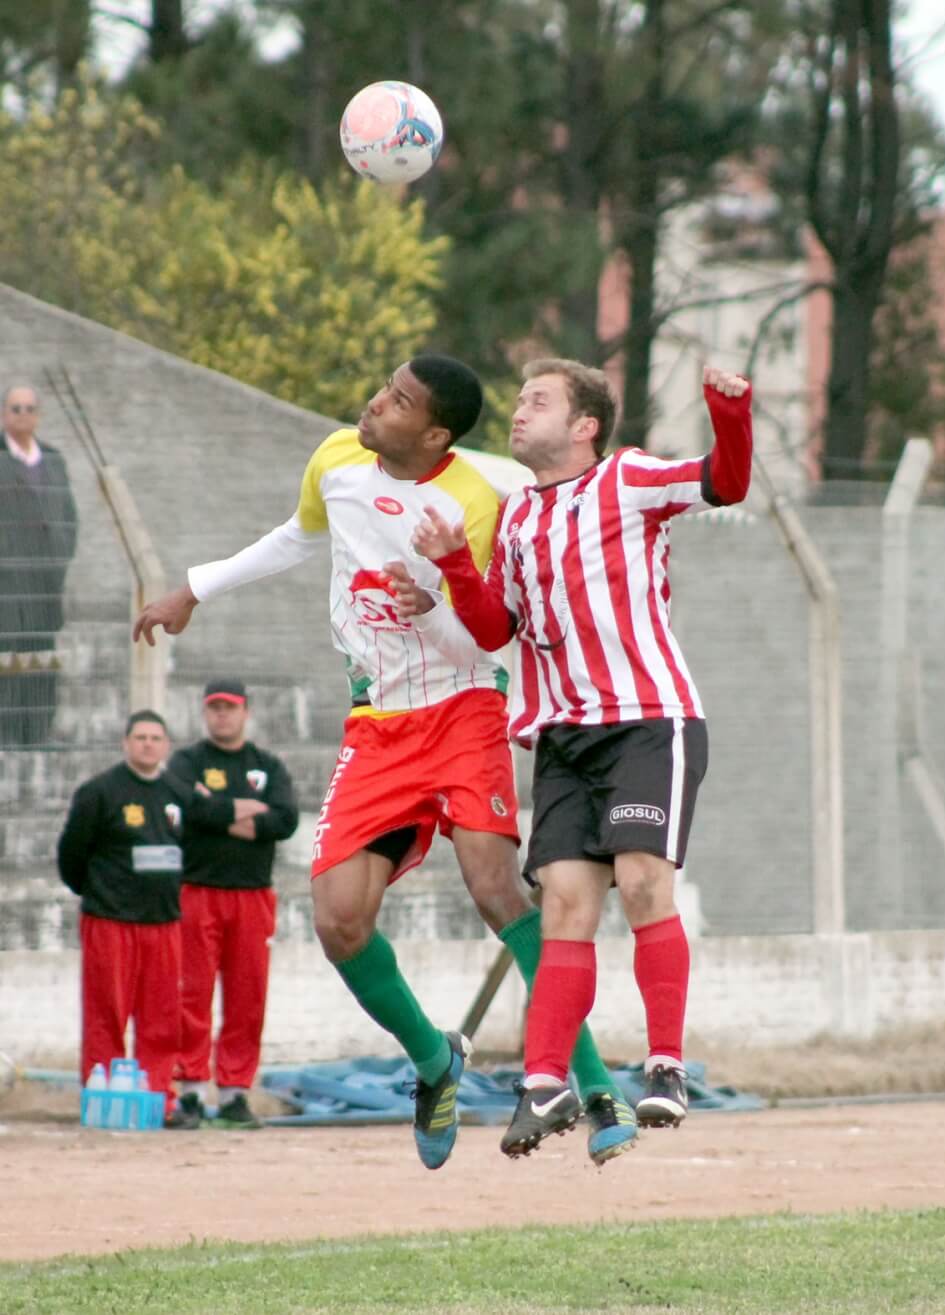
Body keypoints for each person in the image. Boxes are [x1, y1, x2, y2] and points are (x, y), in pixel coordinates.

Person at [132, 354, 630, 1170]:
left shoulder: (478, 500)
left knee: (495, 888)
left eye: (399, 400)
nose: (376, 402)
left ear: (433, 431)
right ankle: (437, 1063)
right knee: (337, 918)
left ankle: (594, 1080)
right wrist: (196, 586)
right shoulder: (335, 459)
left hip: (465, 702)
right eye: (384, 387)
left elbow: (488, 632)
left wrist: (433, 609)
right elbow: (299, 535)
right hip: (378, 723)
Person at [388, 359, 753, 1159]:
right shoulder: (517, 517)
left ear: (585, 425)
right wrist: (453, 564)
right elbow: (494, 627)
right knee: (562, 903)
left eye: (538, 401)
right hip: (562, 734)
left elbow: (726, 482)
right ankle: (546, 1081)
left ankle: (665, 1065)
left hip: (648, 718)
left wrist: (732, 414)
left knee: (643, 879)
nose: (519, 412)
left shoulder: (629, 478)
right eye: (519, 399)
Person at [167, 678, 299, 1130]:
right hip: (197, 892)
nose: (222, 715)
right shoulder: (188, 762)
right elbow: (186, 808)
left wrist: (217, 810)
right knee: (192, 993)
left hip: (252, 896)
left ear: (245, 712)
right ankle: (188, 1091)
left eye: (230, 708)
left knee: (247, 997)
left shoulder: (268, 766)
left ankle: (234, 1094)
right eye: (214, 708)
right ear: (205, 712)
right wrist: (245, 811)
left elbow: (283, 821)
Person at [56, 710, 188, 1118]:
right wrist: (100, 894)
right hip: (111, 922)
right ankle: (103, 1098)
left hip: (163, 924)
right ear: (126, 743)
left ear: (166, 746)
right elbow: (71, 856)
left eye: (155, 738)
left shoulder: (176, 793)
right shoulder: (99, 792)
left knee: (162, 1020)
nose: (148, 744)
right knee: (106, 1015)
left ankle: (158, 1099)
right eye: (140, 737)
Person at [0, 383, 78, 747]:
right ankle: (10, 733)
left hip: (45, 584)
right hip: (7, 585)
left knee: (42, 659)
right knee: (8, 660)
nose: (23, 415)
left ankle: (39, 732)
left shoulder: (53, 460)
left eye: (29, 408)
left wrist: (60, 556)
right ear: (4, 414)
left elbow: (68, 516)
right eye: (15, 408)